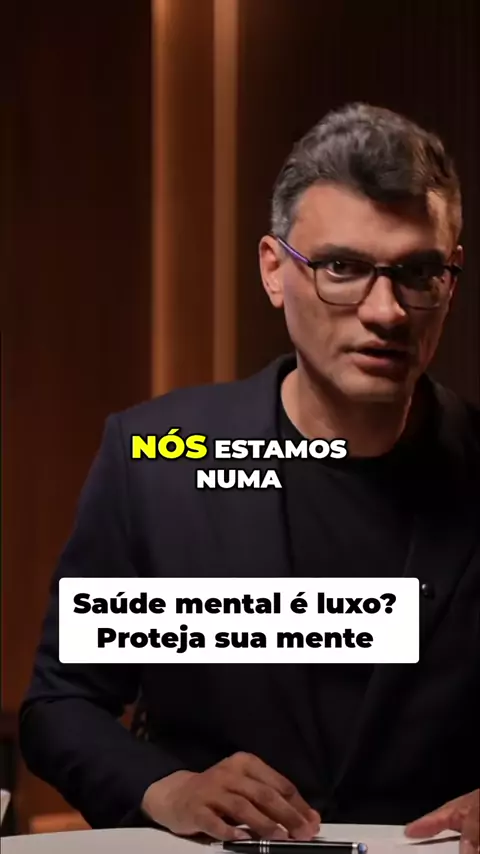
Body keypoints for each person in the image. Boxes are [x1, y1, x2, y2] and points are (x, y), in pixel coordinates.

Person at [19, 103, 479, 844]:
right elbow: (63, 705)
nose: (387, 312)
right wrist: (167, 788)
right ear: (273, 270)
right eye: (342, 268)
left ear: (450, 281)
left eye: (418, 272)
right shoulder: (157, 460)